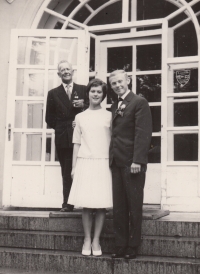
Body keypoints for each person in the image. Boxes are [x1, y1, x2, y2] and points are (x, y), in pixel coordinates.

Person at [109, 70, 152, 259]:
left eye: (120, 81)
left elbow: (142, 133)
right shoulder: (113, 105)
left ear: (128, 80)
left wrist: (138, 160)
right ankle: (120, 245)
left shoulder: (139, 102)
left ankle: (132, 246)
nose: (118, 85)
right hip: (116, 161)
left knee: (134, 205)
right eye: (114, 83)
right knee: (119, 206)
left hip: (132, 162)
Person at [68, 78, 112, 256]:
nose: (95, 94)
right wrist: (74, 167)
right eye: (93, 91)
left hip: (103, 162)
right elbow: (77, 143)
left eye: (99, 92)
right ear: (88, 93)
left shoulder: (109, 115)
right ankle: (87, 238)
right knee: (86, 204)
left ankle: (96, 240)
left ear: (103, 95)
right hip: (85, 162)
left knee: (101, 205)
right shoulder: (80, 117)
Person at [45, 60, 88, 212]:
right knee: (67, 170)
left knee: (87, 168)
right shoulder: (53, 93)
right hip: (63, 137)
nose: (66, 71)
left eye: (68, 69)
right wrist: (64, 126)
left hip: (84, 136)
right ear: (59, 74)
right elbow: (48, 118)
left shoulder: (83, 89)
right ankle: (68, 203)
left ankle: (89, 203)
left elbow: (94, 107)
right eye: (62, 70)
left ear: (73, 71)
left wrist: (84, 107)